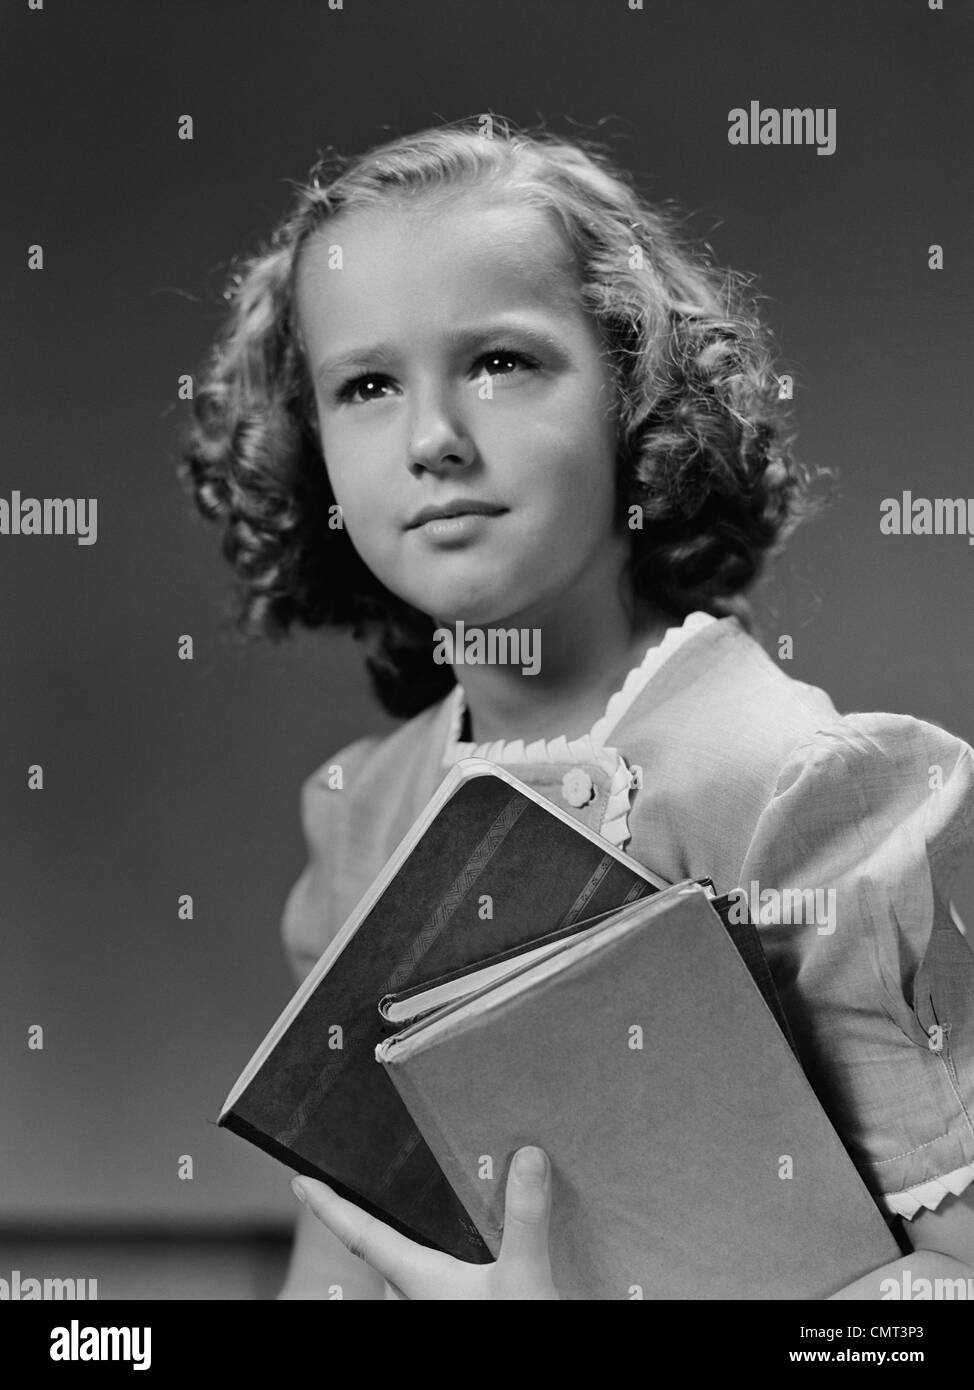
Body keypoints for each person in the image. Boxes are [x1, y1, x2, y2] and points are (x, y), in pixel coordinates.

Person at [180, 116, 974, 1300]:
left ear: (634, 394)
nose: (432, 439)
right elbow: (331, 1278)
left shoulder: (804, 788)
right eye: (366, 385)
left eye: (501, 362)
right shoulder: (363, 811)